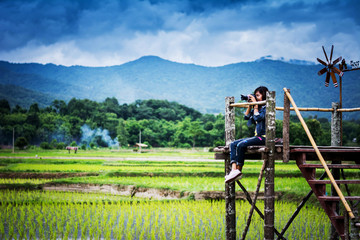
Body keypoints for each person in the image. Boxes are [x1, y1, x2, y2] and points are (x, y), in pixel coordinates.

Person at [225, 86, 269, 183]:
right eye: (255, 95)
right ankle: (233, 170)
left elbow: (258, 118)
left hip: (264, 138)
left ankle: (239, 170)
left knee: (241, 145)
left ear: (264, 96)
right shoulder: (258, 107)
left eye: (258, 95)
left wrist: (255, 105)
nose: (256, 97)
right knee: (232, 144)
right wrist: (250, 105)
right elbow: (246, 117)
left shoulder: (267, 108)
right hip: (257, 137)